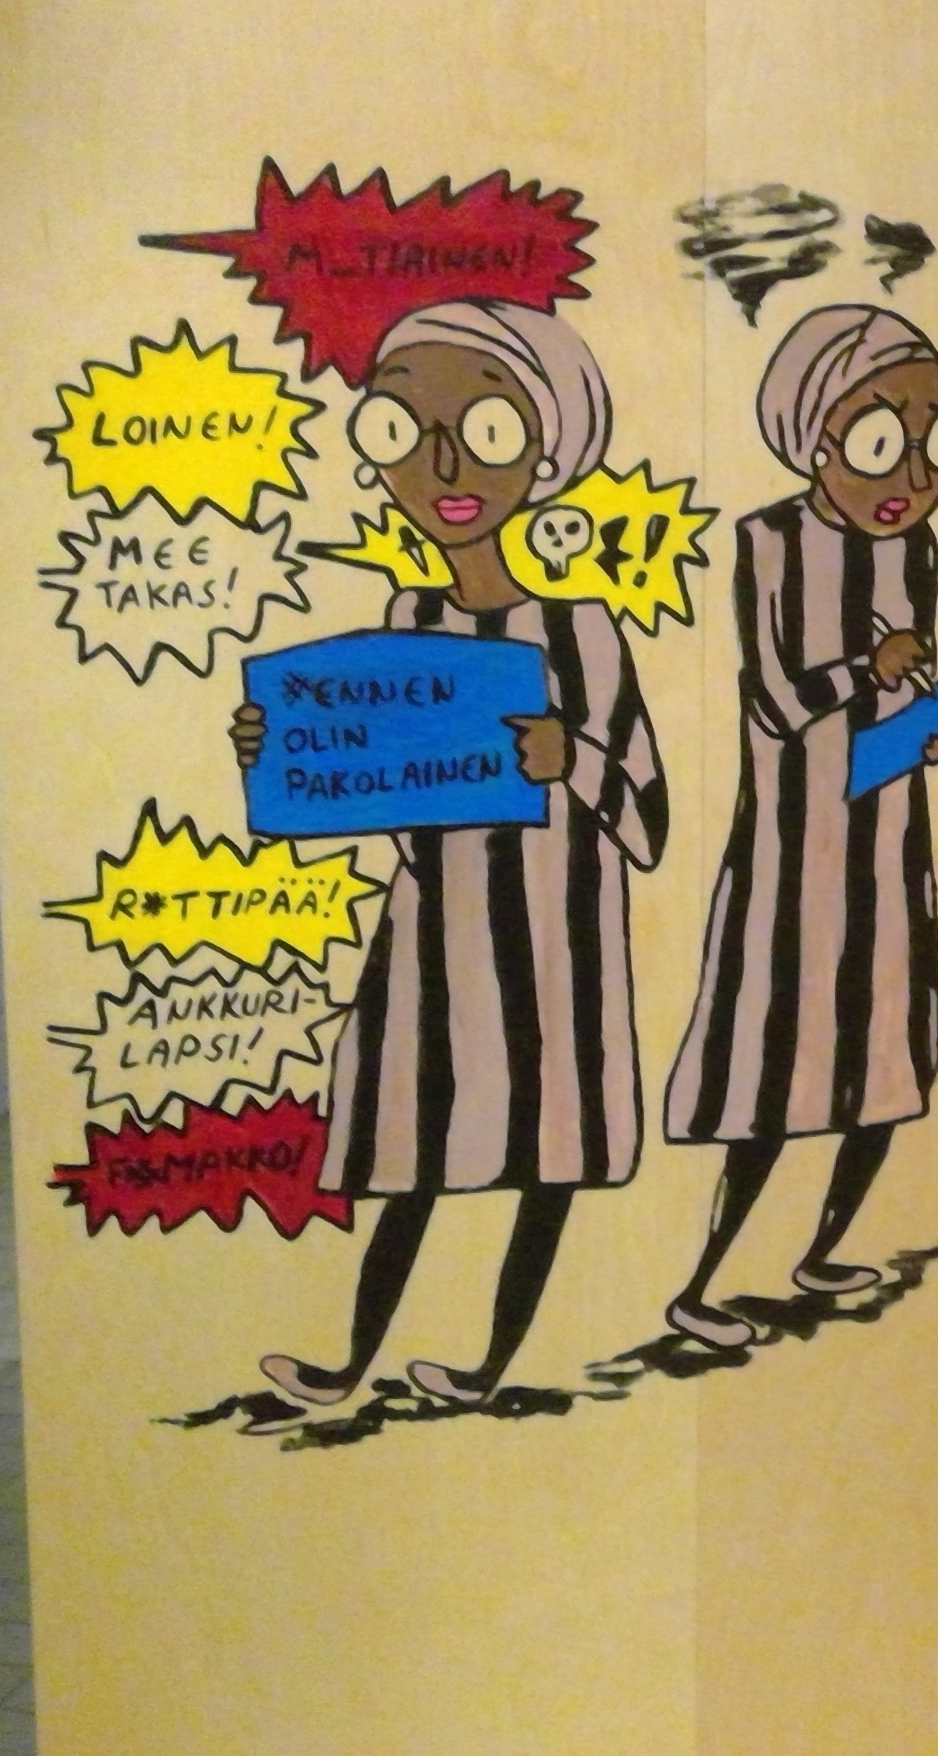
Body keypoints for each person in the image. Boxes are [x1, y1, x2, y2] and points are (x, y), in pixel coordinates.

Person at [232, 299, 666, 1407]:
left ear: (545, 451)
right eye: (402, 430)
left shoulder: (582, 629)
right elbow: (392, 796)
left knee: (548, 1151)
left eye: (486, 431)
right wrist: (283, 755)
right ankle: (350, 1361)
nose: (442, 466)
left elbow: (647, 819)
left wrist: (571, 757)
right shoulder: (408, 614)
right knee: (411, 1148)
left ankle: (489, 1364)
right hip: (433, 939)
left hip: (559, 948)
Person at [656, 306, 938, 1348]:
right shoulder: (767, 542)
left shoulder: (916, 547)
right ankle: (703, 1282)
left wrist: (936, 729)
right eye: (884, 441)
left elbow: (907, 685)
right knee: (772, 1069)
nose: (915, 474)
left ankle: (820, 1249)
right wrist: (864, 670)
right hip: (793, 854)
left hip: (889, 840)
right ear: (814, 437)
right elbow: (773, 702)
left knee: (887, 1056)